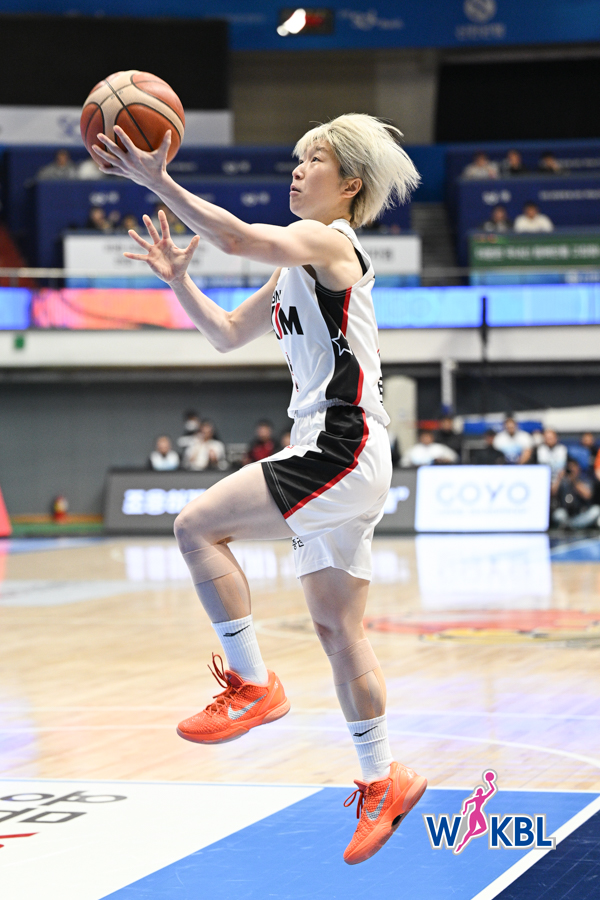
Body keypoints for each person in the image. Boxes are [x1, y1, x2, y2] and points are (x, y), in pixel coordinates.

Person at [93, 112, 426, 865]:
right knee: (338, 631)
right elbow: (223, 334)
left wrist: (159, 180)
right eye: (298, 158)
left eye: (316, 160)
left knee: (195, 525)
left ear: (350, 185)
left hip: (341, 441)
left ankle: (252, 683)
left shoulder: (330, 242)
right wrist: (180, 281)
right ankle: (384, 778)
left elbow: (239, 239)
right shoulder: (295, 267)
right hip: (344, 451)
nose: (298, 169)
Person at [552, 459, 600, 530]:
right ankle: (572, 526)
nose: (571, 470)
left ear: (578, 468)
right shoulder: (563, 481)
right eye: (569, 468)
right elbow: (552, 494)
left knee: (596, 510)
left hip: (581, 513)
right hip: (566, 513)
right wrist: (559, 479)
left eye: (573, 468)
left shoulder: (584, 479)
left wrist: (574, 481)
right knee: (558, 514)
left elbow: (588, 495)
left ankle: (571, 526)